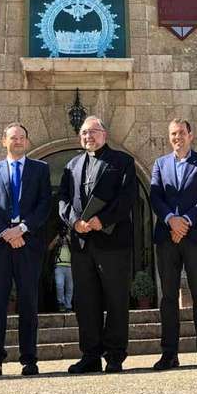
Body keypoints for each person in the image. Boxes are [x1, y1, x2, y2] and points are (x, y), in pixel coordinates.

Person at [59, 116, 137, 374]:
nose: (87, 136)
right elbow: (62, 201)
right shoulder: (71, 165)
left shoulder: (122, 162)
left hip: (113, 243)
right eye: (83, 132)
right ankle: (89, 355)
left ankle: (114, 356)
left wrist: (101, 221)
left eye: (92, 131)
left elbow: (128, 198)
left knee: (116, 300)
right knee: (86, 302)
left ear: (104, 134)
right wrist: (75, 222)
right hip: (81, 245)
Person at [0, 123, 51, 377]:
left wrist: (22, 229)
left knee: (29, 301)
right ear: (3, 141)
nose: (17, 141)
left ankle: (29, 359)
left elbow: (44, 205)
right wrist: (6, 233)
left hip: (29, 245)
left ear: (27, 142)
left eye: (22, 137)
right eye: (13, 138)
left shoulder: (41, 170)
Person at [150, 118, 197, 370]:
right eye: (173, 134)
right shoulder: (160, 164)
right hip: (167, 237)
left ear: (191, 135)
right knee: (168, 296)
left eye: (181, 132)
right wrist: (172, 221)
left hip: (195, 237)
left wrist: (186, 221)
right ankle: (169, 354)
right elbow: (155, 196)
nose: (177, 137)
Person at [49, 231, 73, 312]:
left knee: (70, 288)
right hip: (59, 266)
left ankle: (68, 305)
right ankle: (61, 303)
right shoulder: (57, 240)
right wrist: (57, 237)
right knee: (59, 285)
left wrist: (68, 237)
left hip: (70, 266)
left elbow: (76, 247)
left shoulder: (69, 239)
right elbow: (49, 248)